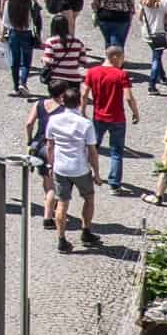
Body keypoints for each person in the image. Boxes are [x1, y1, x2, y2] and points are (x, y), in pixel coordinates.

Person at [42, 82, 102, 251]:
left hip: (61, 167)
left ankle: (61, 239)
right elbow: (92, 151)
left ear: (63, 101)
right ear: (79, 103)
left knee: (62, 203)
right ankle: (86, 231)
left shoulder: (53, 120)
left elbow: (50, 146)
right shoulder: (85, 124)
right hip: (80, 167)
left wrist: (50, 164)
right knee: (88, 198)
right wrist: (96, 173)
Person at [83, 44, 139, 193]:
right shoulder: (121, 75)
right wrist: (135, 112)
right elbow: (128, 97)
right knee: (116, 152)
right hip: (117, 118)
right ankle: (114, 184)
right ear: (115, 57)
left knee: (93, 147)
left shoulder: (92, 72)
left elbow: (84, 94)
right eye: (122, 58)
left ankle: (86, 174)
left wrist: (82, 111)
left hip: (98, 117)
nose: (122, 61)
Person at [1, 0, 41, 97]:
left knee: (15, 61)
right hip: (27, 33)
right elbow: (35, 15)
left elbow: (5, 23)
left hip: (13, 34)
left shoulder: (8, 5)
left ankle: (15, 86)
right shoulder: (28, 5)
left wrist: (2, 35)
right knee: (26, 61)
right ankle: (23, 82)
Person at [40, 14, 91, 92]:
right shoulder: (77, 42)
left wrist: (42, 59)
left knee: (57, 103)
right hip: (74, 79)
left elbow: (49, 61)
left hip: (56, 79)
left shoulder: (51, 42)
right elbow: (83, 62)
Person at [141, 0, 167, 96]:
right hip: (159, 33)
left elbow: (140, 17)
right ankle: (151, 85)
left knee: (156, 54)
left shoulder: (143, 1)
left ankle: (162, 75)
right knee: (156, 58)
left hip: (147, 33)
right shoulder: (165, 3)